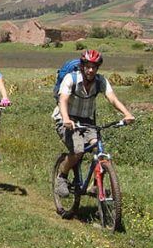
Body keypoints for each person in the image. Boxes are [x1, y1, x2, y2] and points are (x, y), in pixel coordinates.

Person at [53, 49, 135, 209]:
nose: (91, 70)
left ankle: (95, 184)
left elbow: (112, 98)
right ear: (82, 66)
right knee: (78, 151)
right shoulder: (71, 78)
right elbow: (63, 99)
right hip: (67, 119)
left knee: (99, 149)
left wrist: (127, 114)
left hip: (88, 121)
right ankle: (61, 176)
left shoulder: (100, 81)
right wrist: (66, 119)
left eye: (94, 67)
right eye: (88, 66)